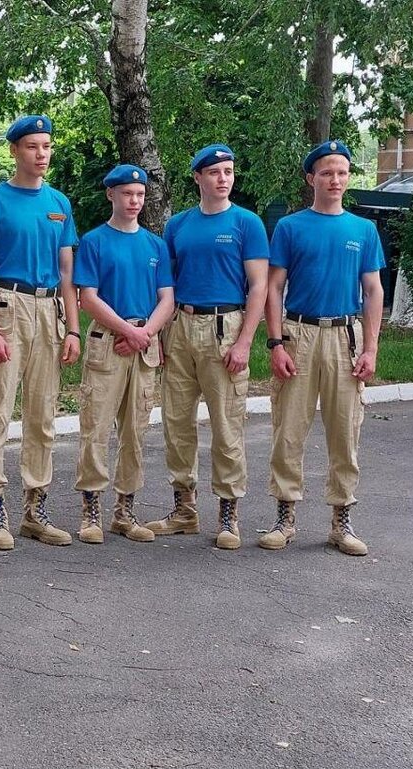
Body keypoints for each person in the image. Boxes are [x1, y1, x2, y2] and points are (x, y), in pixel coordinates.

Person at [262, 139, 385, 556]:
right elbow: (274, 287)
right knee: (289, 430)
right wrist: (276, 343)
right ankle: (285, 517)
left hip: (343, 337)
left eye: (342, 172)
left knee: (344, 432)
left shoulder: (363, 230)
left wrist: (370, 348)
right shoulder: (291, 227)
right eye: (327, 172)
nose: (335, 180)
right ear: (311, 177)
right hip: (299, 334)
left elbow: (372, 291)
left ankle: (341, 520)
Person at [0, 114, 81, 551]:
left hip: (48, 309)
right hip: (6, 305)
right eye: (32, 146)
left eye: (47, 147)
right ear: (14, 150)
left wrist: (73, 328)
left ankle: (36, 507)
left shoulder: (59, 203)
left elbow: (68, 272)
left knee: (43, 414)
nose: (41, 154)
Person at [146, 144, 269, 549]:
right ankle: (184, 509)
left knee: (226, 425)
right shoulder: (178, 225)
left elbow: (259, 287)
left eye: (229, 171)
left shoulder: (246, 223)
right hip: (181, 325)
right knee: (176, 422)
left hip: (225, 327)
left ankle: (228, 512)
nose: (223, 178)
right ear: (198, 177)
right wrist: (162, 336)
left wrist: (245, 341)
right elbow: (167, 285)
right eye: (214, 172)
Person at [72, 165, 174, 544]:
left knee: (136, 431)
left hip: (143, 345)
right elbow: (88, 297)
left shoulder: (155, 245)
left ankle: (125, 511)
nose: (135, 201)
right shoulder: (95, 241)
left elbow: (167, 298)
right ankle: (91, 510)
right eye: (127, 194)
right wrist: (127, 331)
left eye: (140, 195)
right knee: (95, 428)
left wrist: (145, 332)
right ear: (110, 195)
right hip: (108, 343)